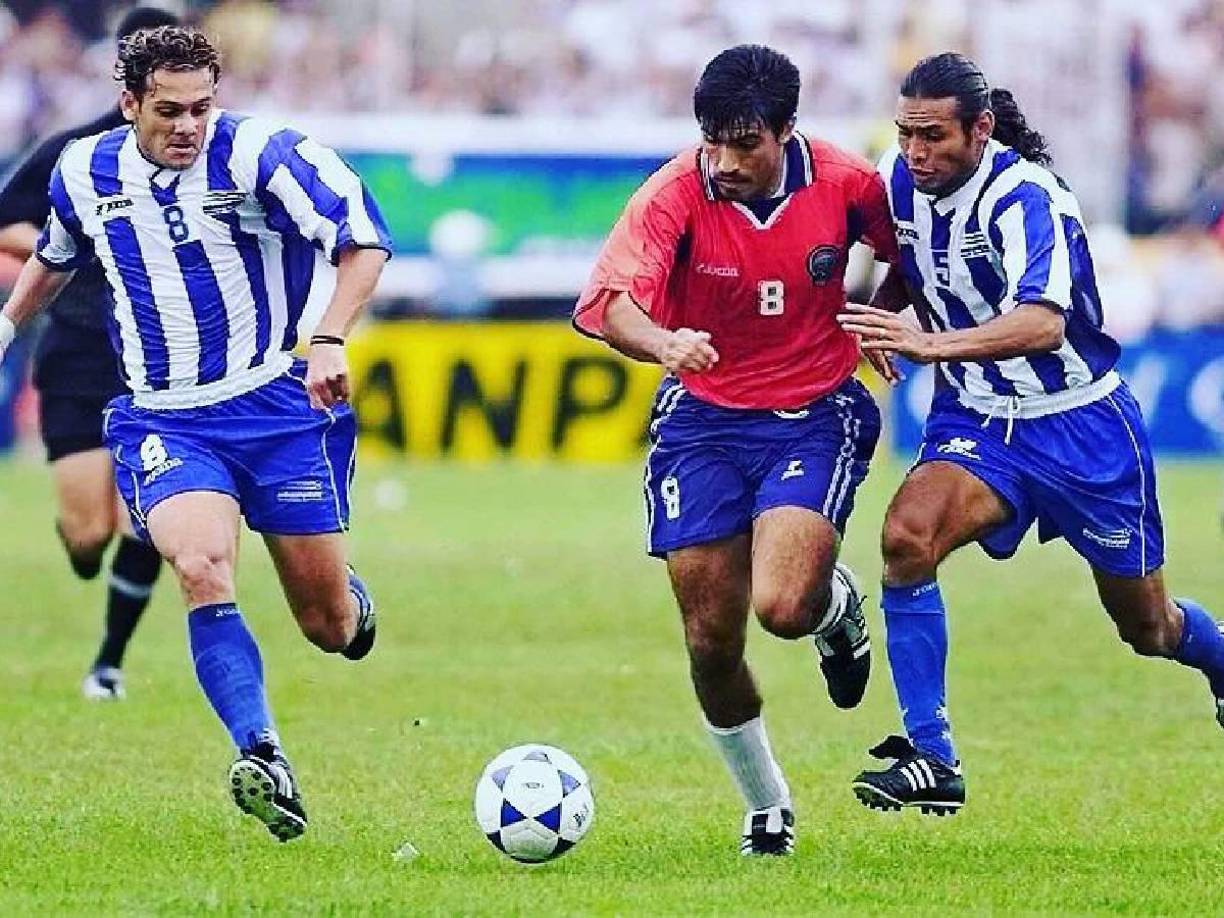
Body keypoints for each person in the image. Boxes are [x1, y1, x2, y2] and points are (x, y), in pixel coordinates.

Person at [0, 25, 391, 842]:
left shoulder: (266, 154)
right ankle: (263, 754)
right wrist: (7, 324)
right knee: (201, 564)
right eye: (168, 110)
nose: (187, 125)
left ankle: (350, 605)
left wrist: (327, 338)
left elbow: (362, 240)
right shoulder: (85, 168)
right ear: (128, 103)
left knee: (328, 628)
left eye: (202, 108)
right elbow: (58, 252)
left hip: (275, 409)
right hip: (163, 416)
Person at [838, 52, 1224, 815]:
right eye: (906, 133)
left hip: (1083, 428)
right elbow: (918, 260)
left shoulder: (1027, 198)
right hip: (980, 416)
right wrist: (887, 309)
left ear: (980, 130)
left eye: (934, 136)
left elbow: (1043, 324)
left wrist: (927, 344)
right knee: (907, 536)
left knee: (1147, 625)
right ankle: (932, 755)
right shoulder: (898, 180)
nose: (916, 152)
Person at [574, 44, 898, 855]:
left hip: (813, 408)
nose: (723, 161)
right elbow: (611, 305)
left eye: (744, 143)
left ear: (788, 131)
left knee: (784, 606)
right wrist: (665, 344)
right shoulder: (674, 192)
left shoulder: (850, 183)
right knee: (710, 640)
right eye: (711, 139)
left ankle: (833, 609)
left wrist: (887, 313)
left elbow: (908, 254)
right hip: (703, 420)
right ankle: (767, 806)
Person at [0, 6, 179, 701]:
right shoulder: (76, 152)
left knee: (151, 517)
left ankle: (108, 661)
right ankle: (81, 546)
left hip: (163, 362)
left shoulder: (204, 158)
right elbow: (8, 216)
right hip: (77, 351)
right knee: (87, 535)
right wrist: (63, 248)